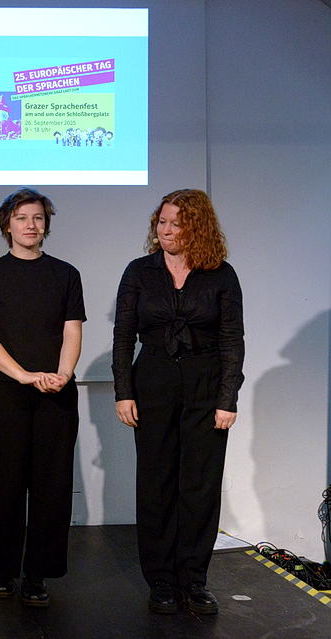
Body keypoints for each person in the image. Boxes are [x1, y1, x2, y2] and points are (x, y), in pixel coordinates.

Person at [112, 189, 244, 615]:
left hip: (206, 385)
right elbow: (123, 336)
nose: (165, 231)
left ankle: (194, 580)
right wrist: (123, 391)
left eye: (176, 224)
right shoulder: (139, 272)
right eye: (162, 222)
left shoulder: (221, 275)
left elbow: (232, 340)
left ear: (197, 228)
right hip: (152, 382)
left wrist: (227, 398)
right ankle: (162, 581)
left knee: (200, 486)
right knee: (156, 484)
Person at [0, 188, 85, 607]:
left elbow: (72, 330)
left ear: (46, 224)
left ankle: (38, 574)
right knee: (7, 484)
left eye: (37, 218)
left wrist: (63, 375)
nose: (30, 225)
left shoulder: (66, 274)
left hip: (56, 393)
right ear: (7, 225)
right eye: (21, 218)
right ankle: (3, 569)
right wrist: (23, 375)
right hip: (7, 393)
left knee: (52, 487)